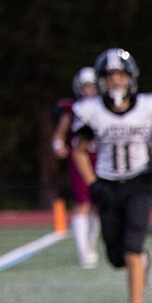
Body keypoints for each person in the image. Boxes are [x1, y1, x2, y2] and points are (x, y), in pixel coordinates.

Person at [69, 48, 152, 303]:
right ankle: (142, 260)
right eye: (110, 76)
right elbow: (78, 151)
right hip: (108, 184)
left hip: (138, 183)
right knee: (115, 257)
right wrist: (92, 183)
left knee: (131, 248)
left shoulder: (147, 107)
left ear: (130, 78)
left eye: (120, 75)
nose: (115, 81)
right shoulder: (92, 111)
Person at [52, 68, 100, 266]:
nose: (89, 91)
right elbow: (60, 134)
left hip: (101, 159)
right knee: (82, 202)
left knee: (99, 206)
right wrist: (57, 146)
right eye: (85, 87)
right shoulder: (73, 109)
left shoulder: (103, 107)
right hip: (80, 159)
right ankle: (83, 251)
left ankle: (90, 245)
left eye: (92, 87)